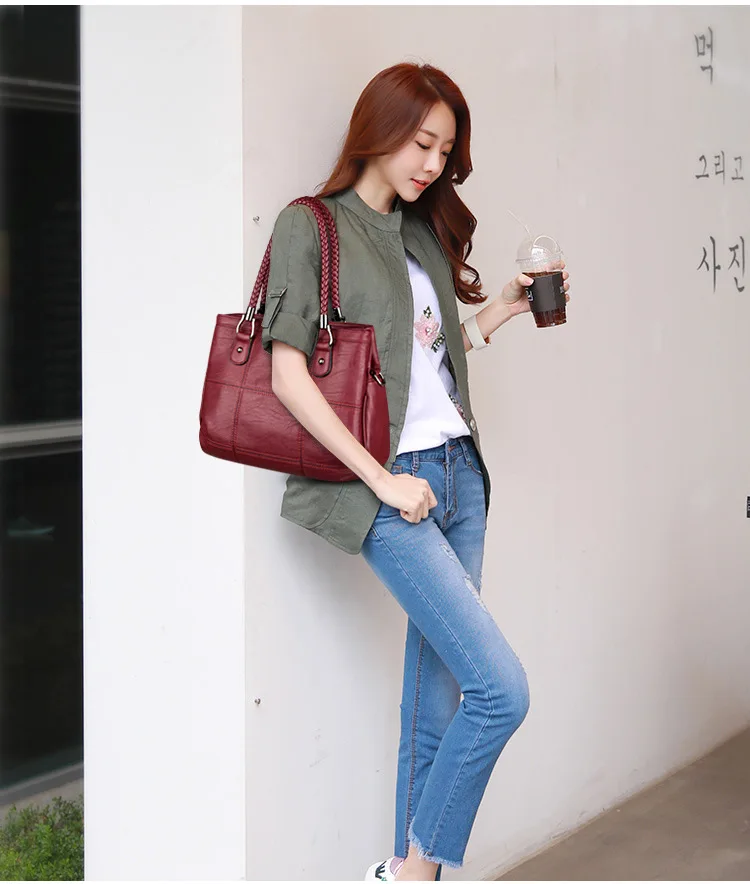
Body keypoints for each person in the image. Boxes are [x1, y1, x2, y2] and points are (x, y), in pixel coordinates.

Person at [261, 62, 571, 882]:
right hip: (393, 484)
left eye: (445, 151)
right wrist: (381, 481)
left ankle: (409, 875)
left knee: (438, 701)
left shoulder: (419, 233)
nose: (433, 164)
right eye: (422, 143)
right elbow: (288, 374)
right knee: (501, 691)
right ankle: (407, 873)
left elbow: (422, 359)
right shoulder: (312, 226)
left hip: (460, 473)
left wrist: (501, 308)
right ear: (379, 129)